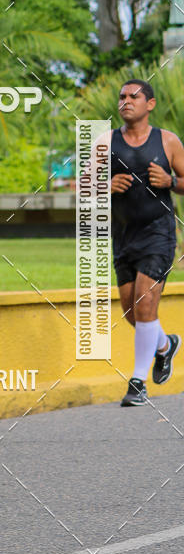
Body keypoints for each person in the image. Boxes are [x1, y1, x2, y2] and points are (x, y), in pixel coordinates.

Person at [110, 79, 183, 406]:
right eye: (122, 97)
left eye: (133, 96)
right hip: (124, 236)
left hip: (159, 233)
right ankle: (165, 346)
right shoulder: (105, 142)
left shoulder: (167, 141)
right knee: (132, 313)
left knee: (144, 303)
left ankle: (137, 382)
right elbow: (82, 187)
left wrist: (172, 181)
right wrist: (105, 184)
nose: (126, 101)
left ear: (149, 104)